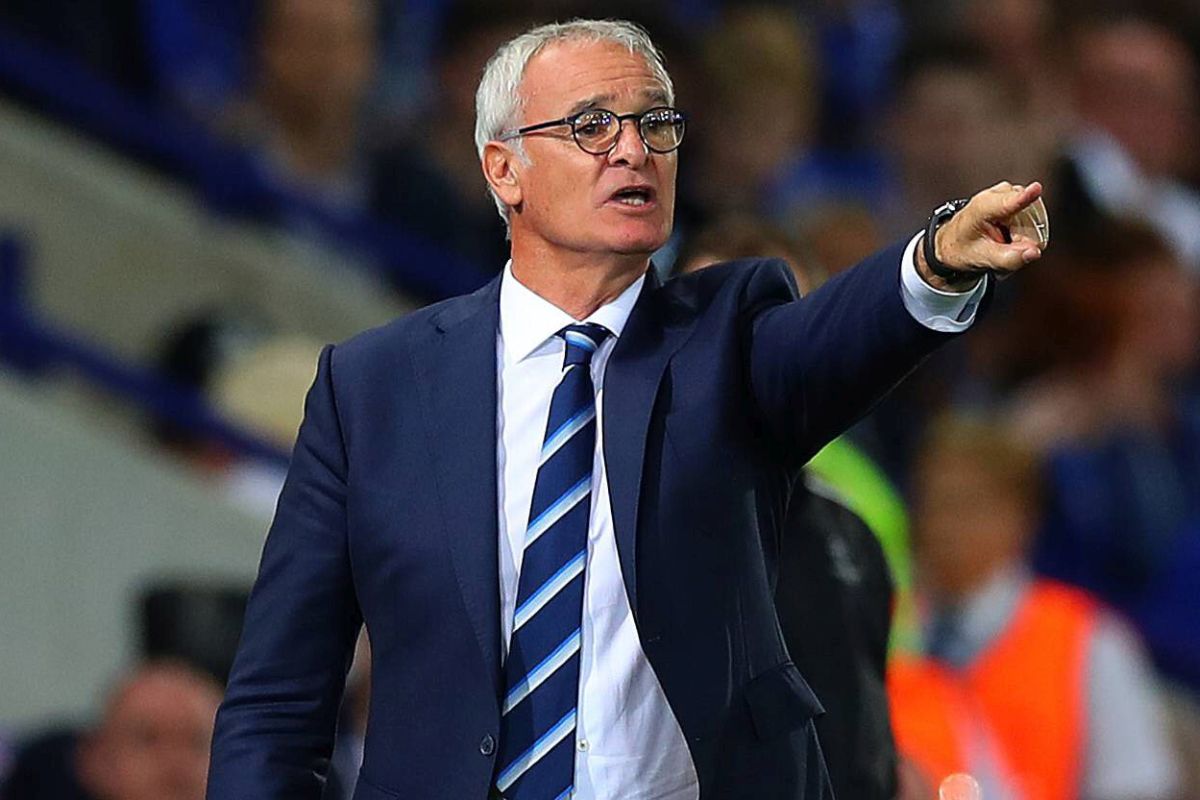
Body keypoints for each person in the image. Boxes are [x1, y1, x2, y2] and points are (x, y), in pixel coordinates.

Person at [206, 19, 1046, 800]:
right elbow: (277, 705)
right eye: (591, 127)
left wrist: (936, 260)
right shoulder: (372, 389)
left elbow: (832, 340)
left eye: (656, 126)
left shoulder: (730, 338)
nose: (634, 151)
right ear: (504, 168)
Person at [889, 415, 1180, 799]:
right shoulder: (885, 626)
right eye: (933, 502)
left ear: (1020, 517)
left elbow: (1135, 784)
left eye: (967, 505)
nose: (944, 525)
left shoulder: (1086, 640)